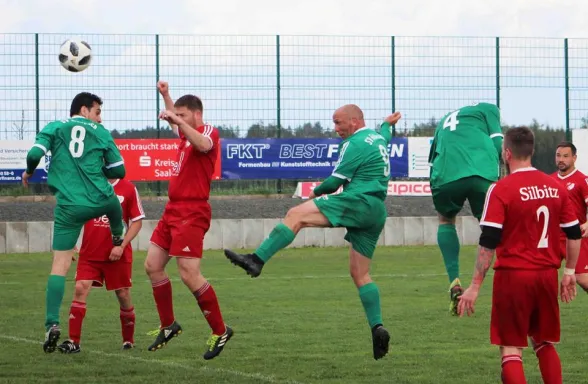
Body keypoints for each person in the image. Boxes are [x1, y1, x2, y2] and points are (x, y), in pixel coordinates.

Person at [225, 105, 401, 361]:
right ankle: (377, 327)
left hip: (358, 201)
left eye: (338, 123)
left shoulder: (354, 144)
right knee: (360, 274)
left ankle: (256, 259)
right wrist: (387, 122)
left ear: (353, 122)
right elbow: (385, 134)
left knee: (296, 216)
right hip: (376, 211)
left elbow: (334, 182)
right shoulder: (376, 139)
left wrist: (316, 191)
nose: (336, 128)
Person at [458, 126, 581, 384]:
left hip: (513, 278)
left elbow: (488, 241)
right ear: (533, 151)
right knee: (544, 342)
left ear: (506, 153)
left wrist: (474, 286)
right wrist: (569, 272)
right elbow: (573, 233)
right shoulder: (555, 187)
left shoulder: (502, 188)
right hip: (547, 276)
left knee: (511, 347)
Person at [23, 92, 126, 353]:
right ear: (84, 110)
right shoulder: (101, 132)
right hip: (99, 199)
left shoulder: (55, 127)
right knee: (114, 203)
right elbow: (119, 171)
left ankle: (51, 324)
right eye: (98, 111)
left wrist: (29, 171)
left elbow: (35, 153)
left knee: (59, 266)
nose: (100, 117)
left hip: (69, 206)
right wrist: (96, 170)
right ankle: (117, 235)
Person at [144, 81, 231, 361]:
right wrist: (166, 96)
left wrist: (176, 119)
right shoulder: (185, 135)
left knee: (188, 273)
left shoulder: (208, 133)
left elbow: (204, 144)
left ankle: (220, 330)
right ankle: (169, 324)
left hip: (192, 212)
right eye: (176, 116)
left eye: (183, 116)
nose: (177, 121)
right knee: (153, 266)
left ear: (196, 114)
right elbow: (178, 126)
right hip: (172, 211)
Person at [427, 102, 504, 315]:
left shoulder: (445, 119)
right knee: (494, 226)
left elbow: (432, 159)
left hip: (445, 175)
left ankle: (454, 281)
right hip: (480, 172)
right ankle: (511, 277)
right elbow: (498, 144)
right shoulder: (489, 109)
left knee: (445, 220)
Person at [57, 178, 145, 354]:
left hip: (117, 254)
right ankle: (74, 342)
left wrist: (121, 246)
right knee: (81, 288)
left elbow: (137, 221)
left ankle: (128, 340)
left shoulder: (128, 188)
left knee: (123, 293)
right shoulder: (88, 185)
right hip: (90, 253)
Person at [552, 141, 588, 292]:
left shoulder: (582, 180)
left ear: (574, 158)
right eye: (558, 155)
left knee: (582, 278)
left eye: (566, 156)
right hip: (553, 237)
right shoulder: (549, 180)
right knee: (541, 276)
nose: (561, 159)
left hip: (575, 236)